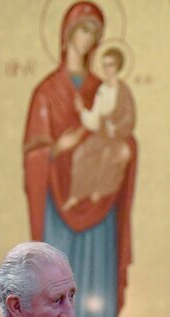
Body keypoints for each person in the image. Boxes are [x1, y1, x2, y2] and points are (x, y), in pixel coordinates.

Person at [23, 1, 138, 317]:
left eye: (93, 33)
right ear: (67, 34)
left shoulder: (103, 87)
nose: (86, 40)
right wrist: (59, 147)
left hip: (101, 207)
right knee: (56, 286)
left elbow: (124, 134)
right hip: (58, 206)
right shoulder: (46, 92)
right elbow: (33, 152)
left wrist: (116, 145)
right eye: (81, 31)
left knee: (94, 292)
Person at [63, 47, 135, 212]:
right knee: (80, 153)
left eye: (110, 65)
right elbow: (95, 119)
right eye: (104, 65)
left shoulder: (123, 90)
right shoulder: (102, 90)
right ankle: (76, 194)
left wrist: (115, 127)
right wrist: (82, 110)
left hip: (117, 137)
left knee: (106, 156)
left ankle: (99, 192)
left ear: (117, 67)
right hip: (102, 135)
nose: (107, 69)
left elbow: (129, 118)